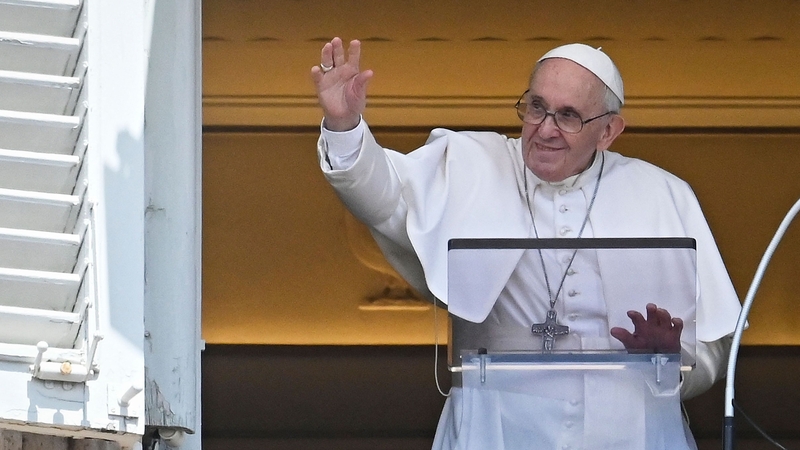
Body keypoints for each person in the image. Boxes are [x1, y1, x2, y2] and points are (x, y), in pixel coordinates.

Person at [311, 37, 742, 449]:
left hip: (632, 430)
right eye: (537, 107)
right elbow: (385, 198)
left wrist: (670, 359)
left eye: (569, 116)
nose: (545, 130)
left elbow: (711, 346)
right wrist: (345, 126)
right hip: (496, 424)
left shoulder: (662, 194)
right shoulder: (471, 163)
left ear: (609, 131)